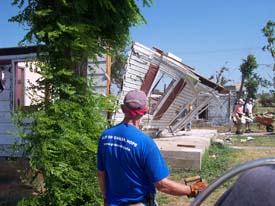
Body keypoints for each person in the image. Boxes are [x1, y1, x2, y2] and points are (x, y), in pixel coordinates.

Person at [97, 90, 208, 206]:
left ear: (123, 108)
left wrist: (105, 198)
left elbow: (101, 173)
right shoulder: (146, 144)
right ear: (145, 111)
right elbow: (162, 185)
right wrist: (191, 190)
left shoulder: (105, 136)